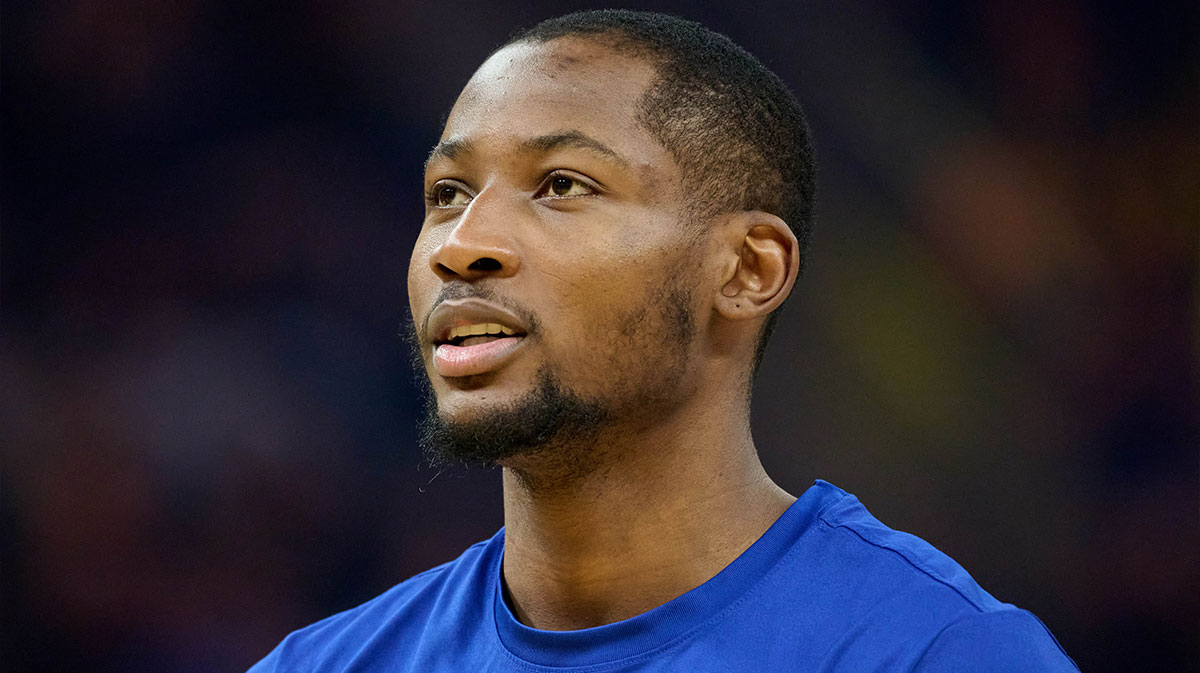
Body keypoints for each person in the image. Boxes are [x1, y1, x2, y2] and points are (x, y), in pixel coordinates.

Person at [249, 10, 1077, 672]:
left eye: (562, 184)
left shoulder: (937, 651)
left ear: (747, 270)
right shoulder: (320, 663)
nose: (459, 243)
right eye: (447, 191)